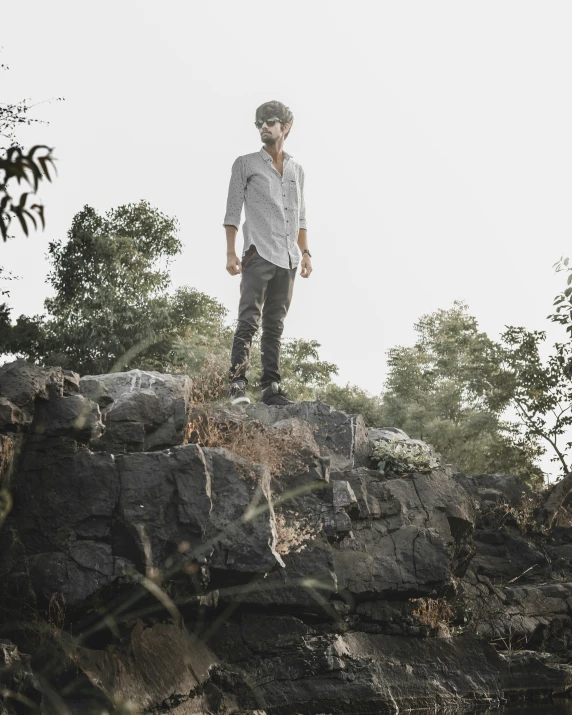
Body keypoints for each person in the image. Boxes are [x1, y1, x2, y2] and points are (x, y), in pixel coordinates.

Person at [223, 100, 312, 406]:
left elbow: (300, 216)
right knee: (249, 318)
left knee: (275, 324)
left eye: (270, 122)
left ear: (285, 128)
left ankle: (271, 387)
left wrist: (306, 253)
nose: (264, 126)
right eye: (260, 122)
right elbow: (232, 211)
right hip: (257, 251)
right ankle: (237, 385)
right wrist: (231, 253)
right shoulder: (245, 164)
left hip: (288, 258)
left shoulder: (297, 170)